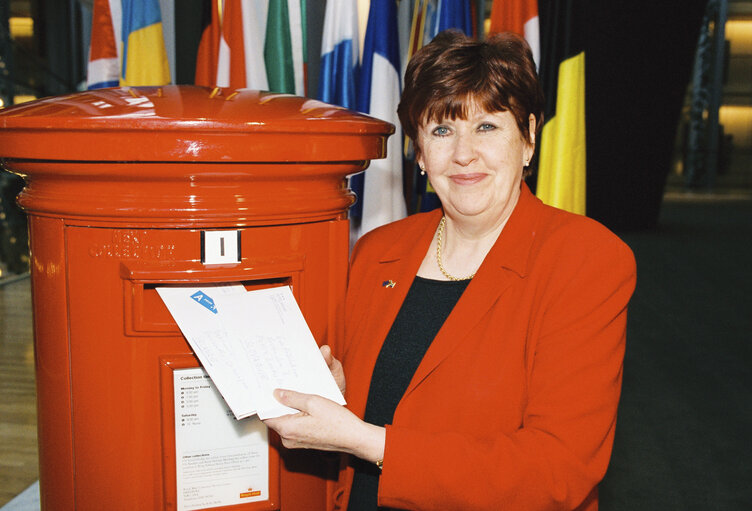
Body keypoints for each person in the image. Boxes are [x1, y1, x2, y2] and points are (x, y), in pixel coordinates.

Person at [264, 30, 636, 511]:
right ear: (419, 152)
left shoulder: (585, 259)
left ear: (528, 138)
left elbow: (557, 469)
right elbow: (378, 404)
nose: (463, 153)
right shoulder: (379, 251)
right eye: (441, 130)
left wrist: (370, 442)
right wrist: (336, 393)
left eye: (486, 127)